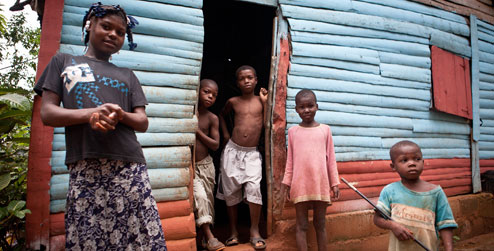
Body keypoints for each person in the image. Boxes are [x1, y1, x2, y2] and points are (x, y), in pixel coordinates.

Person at [34, 3, 166, 250]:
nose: (113, 34)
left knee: (138, 235)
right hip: (85, 165)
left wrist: (118, 114)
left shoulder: (128, 75)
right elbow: (48, 113)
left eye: (120, 32)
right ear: (89, 25)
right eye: (106, 26)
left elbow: (142, 122)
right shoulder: (64, 62)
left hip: (128, 165)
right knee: (91, 235)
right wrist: (90, 114)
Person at [280, 89, 340, 251]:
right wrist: (287, 183)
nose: (306, 110)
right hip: (300, 184)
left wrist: (334, 182)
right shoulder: (293, 132)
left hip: (320, 183)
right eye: (302, 107)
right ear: (296, 109)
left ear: (317, 107)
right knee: (302, 225)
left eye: (310, 106)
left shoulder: (325, 130)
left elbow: (331, 159)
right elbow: (290, 160)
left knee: (320, 224)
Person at [216, 65, 268, 250]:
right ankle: (233, 232)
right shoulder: (233, 101)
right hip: (232, 151)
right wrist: (225, 134)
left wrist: (264, 101)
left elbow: (268, 122)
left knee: (254, 188)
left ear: (256, 80)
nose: (246, 81)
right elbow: (221, 116)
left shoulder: (261, 101)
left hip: (252, 153)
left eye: (250, 77)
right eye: (242, 78)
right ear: (237, 83)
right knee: (231, 191)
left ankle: (254, 231)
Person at [374, 140, 458, 251]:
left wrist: (449, 249)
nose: (412, 163)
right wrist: (393, 226)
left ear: (423, 162)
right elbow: (377, 218)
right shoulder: (389, 191)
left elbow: (445, 225)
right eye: (404, 160)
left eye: (417, 159)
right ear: (393, 166)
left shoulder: (435, 192)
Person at [193, 79, 225, 251]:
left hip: (206, 166)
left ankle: (204, 239)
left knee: (208, 203)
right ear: (197, 90)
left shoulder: (212, 118)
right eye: (206, 92)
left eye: (214, 95)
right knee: (201, 197)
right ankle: (211, 238)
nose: (210, 96)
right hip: (191, 166)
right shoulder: (187, 112)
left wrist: (196, 130)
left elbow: (215, 145)